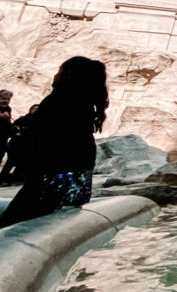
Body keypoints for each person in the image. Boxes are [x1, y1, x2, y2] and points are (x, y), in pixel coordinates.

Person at [0, 57, 108, 228]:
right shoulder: (85, 104)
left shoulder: (59, 101)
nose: (55, 75)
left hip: (50, 180)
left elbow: (40, 139)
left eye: (59, 70)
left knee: (10, 226)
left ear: (68, 74)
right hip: (75, 182)